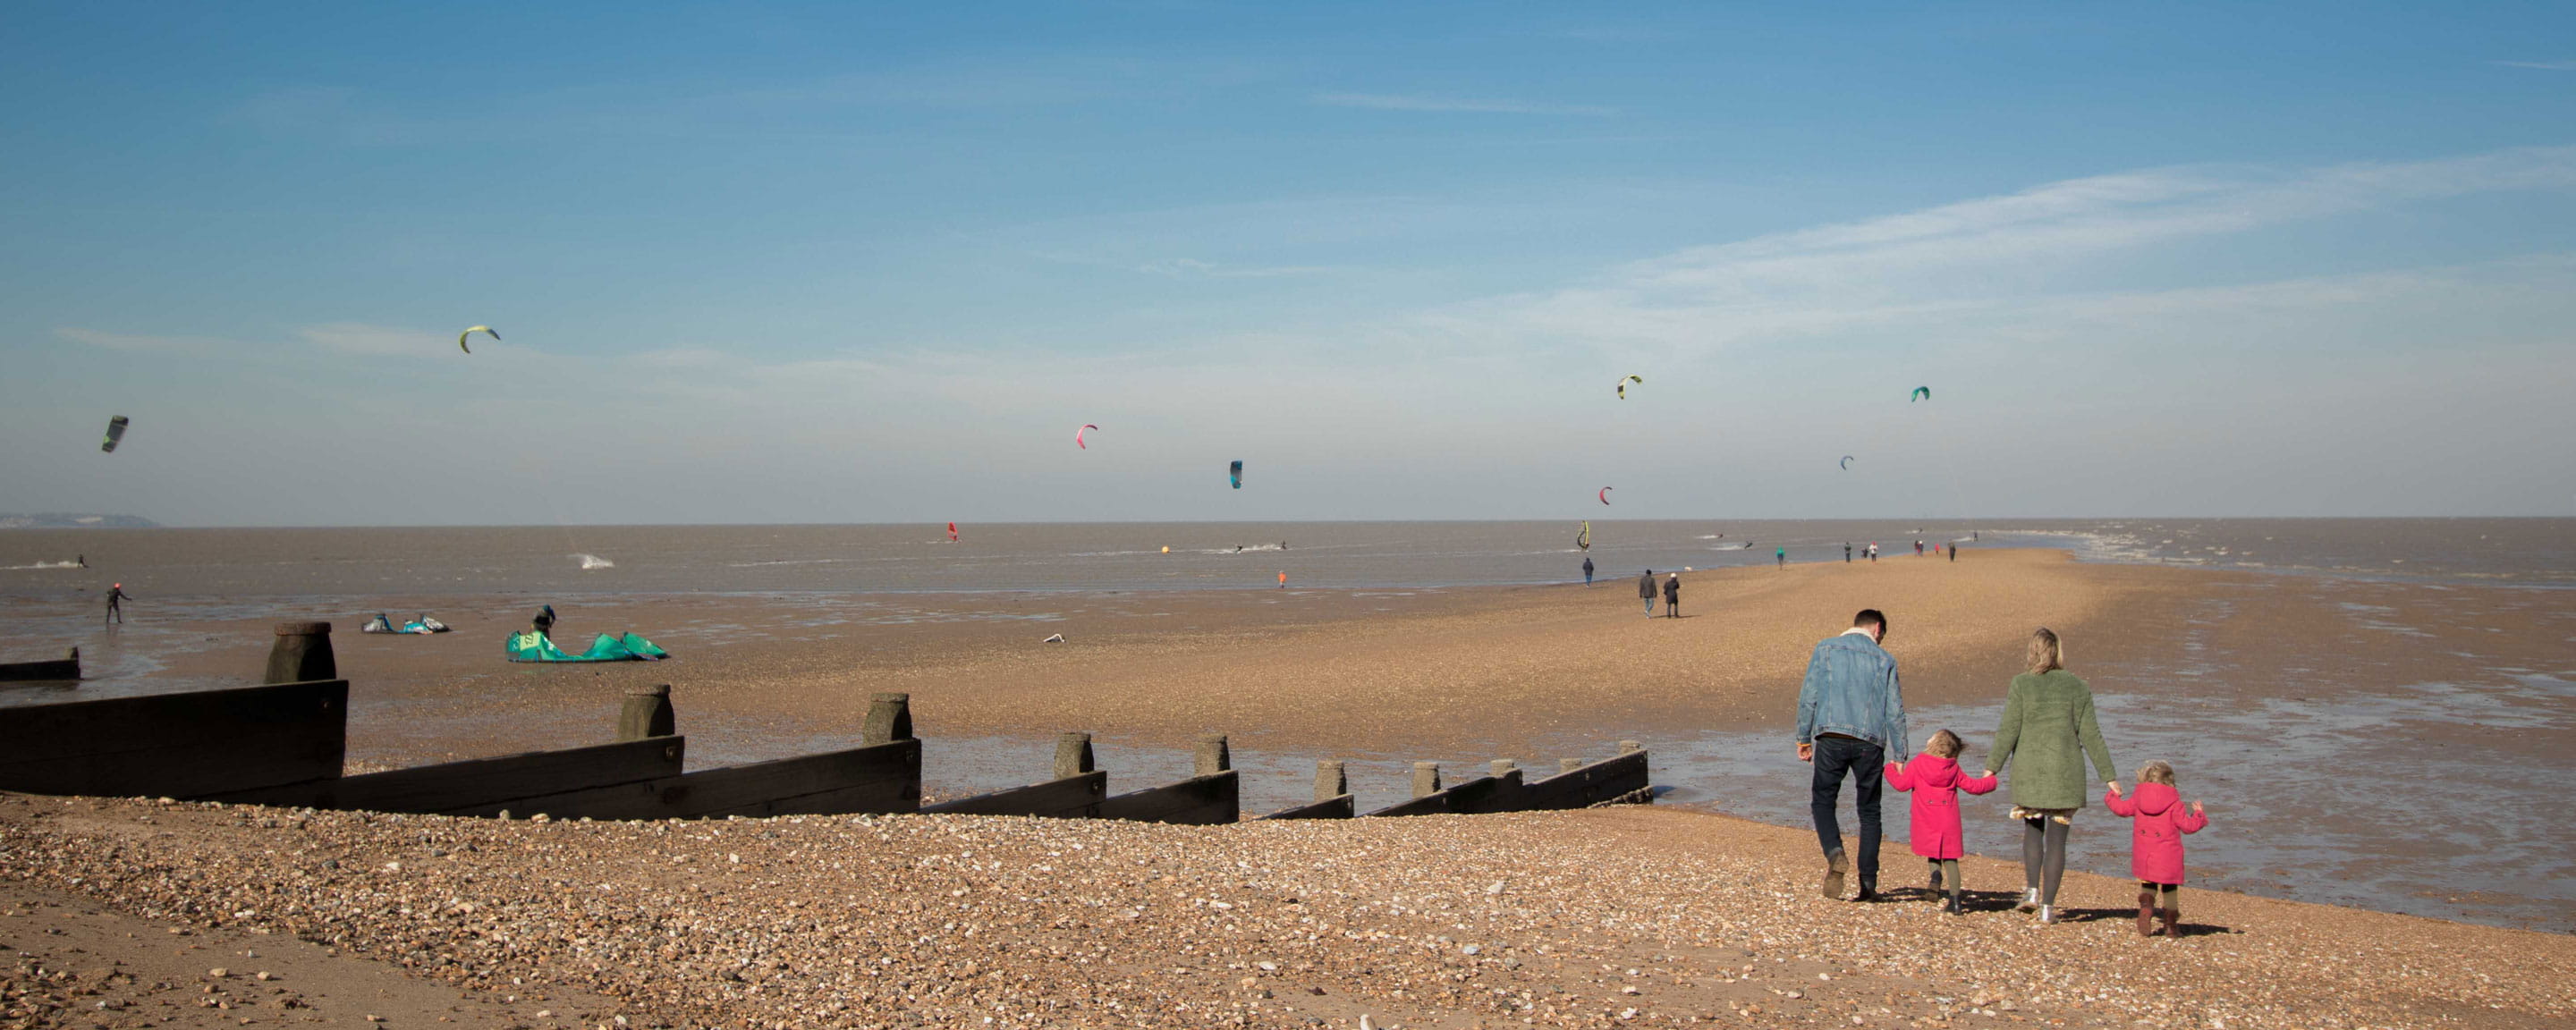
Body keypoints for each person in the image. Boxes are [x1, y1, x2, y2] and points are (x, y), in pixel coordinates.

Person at [1983, 628, 2122, 924]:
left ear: (2032, 651)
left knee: (2033, 832)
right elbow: (2091, 734)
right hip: (2065, 774)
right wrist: (2108, 776)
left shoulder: (2021, 684)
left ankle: (2032, 892)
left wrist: (1991, 767)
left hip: (2029, 772)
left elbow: (2009, 728)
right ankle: (2047, 908)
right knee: (2057, 842)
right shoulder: (2077, 686)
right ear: (2058, 651)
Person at [1794, 609, 1906, 902]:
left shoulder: (1826, 648)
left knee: (1823, 801)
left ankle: (1834, 853)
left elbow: (1809, 696)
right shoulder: (1885, 659)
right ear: (1877, 629)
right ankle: (1868, 884)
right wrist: (1901, 754)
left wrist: (1803, 738)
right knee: (1869, 811)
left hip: (1831, 736)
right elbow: (1895, 710)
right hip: (1870, 742)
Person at [1884, 730, 1997, 916]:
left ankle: (1935, 877)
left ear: (1934, 744)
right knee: (1950, 858)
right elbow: (1973, 786)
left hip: (1925, 817)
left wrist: (1889, 769)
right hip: (1948, 819)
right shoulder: (1953, 768)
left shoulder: (1919, 763)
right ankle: (1956, 901)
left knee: (1933, 851)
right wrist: (1991, 781)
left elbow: (1901, 784)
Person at [2106, 761, 2207, 937]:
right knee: (2169, 889)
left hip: (2145, 852)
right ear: (2169, 781)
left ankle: (2146, 908)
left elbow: (2121, 809)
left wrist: (2112, 796)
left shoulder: (2139, 798)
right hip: (2168, 855)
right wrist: (2199, 814)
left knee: (2148, 883)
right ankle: (2170, 925)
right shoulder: (2175, 804)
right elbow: (2188, 826)